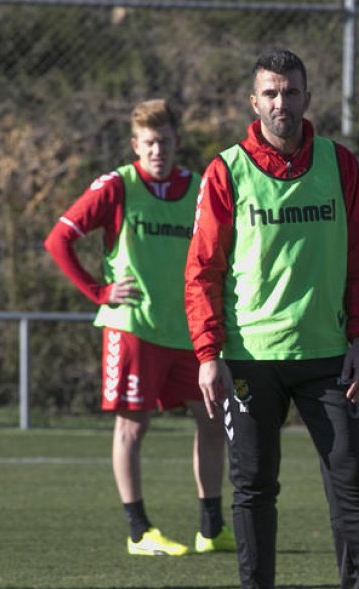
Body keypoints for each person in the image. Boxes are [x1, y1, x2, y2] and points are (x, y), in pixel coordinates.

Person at [185, 48, 359, 589]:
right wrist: (209, 354)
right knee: (254, 487)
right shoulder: (225, 170)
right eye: (270, 94)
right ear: (253, 102)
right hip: (250, 360)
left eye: (291, 93)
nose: (281, 104)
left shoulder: (339, 164)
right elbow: (202, 271)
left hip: (328, 354)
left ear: (308, 98)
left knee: (349, 481)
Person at [44, 99, 231, 558]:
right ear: (135, 145)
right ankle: (139, 530)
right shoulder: (118, 186)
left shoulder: (199, 188)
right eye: (149, 143)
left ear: (176, 143)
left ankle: (211, 528)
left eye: (165, 142)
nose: (157, 151)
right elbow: (59, 239)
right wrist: (98, 290)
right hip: (133, 329)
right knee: (133, 426)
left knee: (211, 421)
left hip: (187, 329)